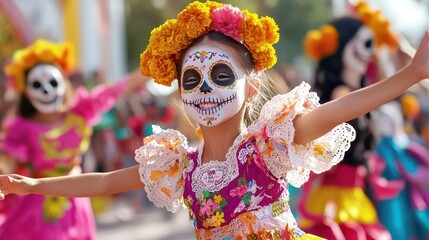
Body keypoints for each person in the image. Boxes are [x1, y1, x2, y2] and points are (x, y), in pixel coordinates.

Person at [0, 1, 428, 239]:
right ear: (180, 92)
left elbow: (344, 106)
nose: (204, 88)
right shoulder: (178, 165)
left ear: (251, 87)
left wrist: (410, 75)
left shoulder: (269, 144)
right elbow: (103, 182)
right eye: (192, 78)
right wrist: (34, 185)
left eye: (221, 75)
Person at [0, 39, 145, 239]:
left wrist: (154, 67)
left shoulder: (80, 111)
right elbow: (6, 164)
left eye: (52, 82)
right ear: (25, 89)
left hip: (76, 197)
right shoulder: (20, 128)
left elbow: (116, 89)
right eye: (37, 84)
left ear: (63, 82)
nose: (46, 90)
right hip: (35, 207)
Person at [297, 2, 402, 239]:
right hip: (334, 199)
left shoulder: (355, 92)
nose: (370, 54)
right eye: (366, 44)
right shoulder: (341, 95)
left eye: (372, 46)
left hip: (354, 196)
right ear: (341, 46)